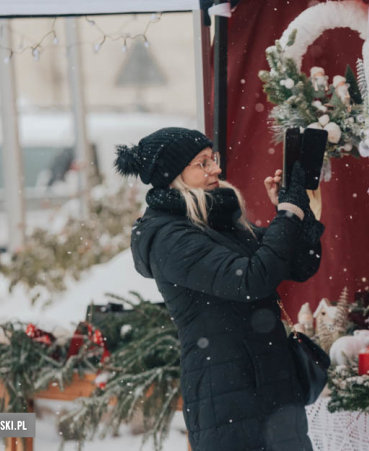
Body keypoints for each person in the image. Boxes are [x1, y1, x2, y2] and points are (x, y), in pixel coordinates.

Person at [114, 127, 324, 451]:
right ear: (174, 176)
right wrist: (287, 214)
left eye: (213, 159)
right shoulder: (170, 238)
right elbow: (251, 280)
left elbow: (297, 265)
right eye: (202, 163)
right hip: (227, 397)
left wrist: (299, 214)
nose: (216, 169)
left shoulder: (219, 219)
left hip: (272, 387)